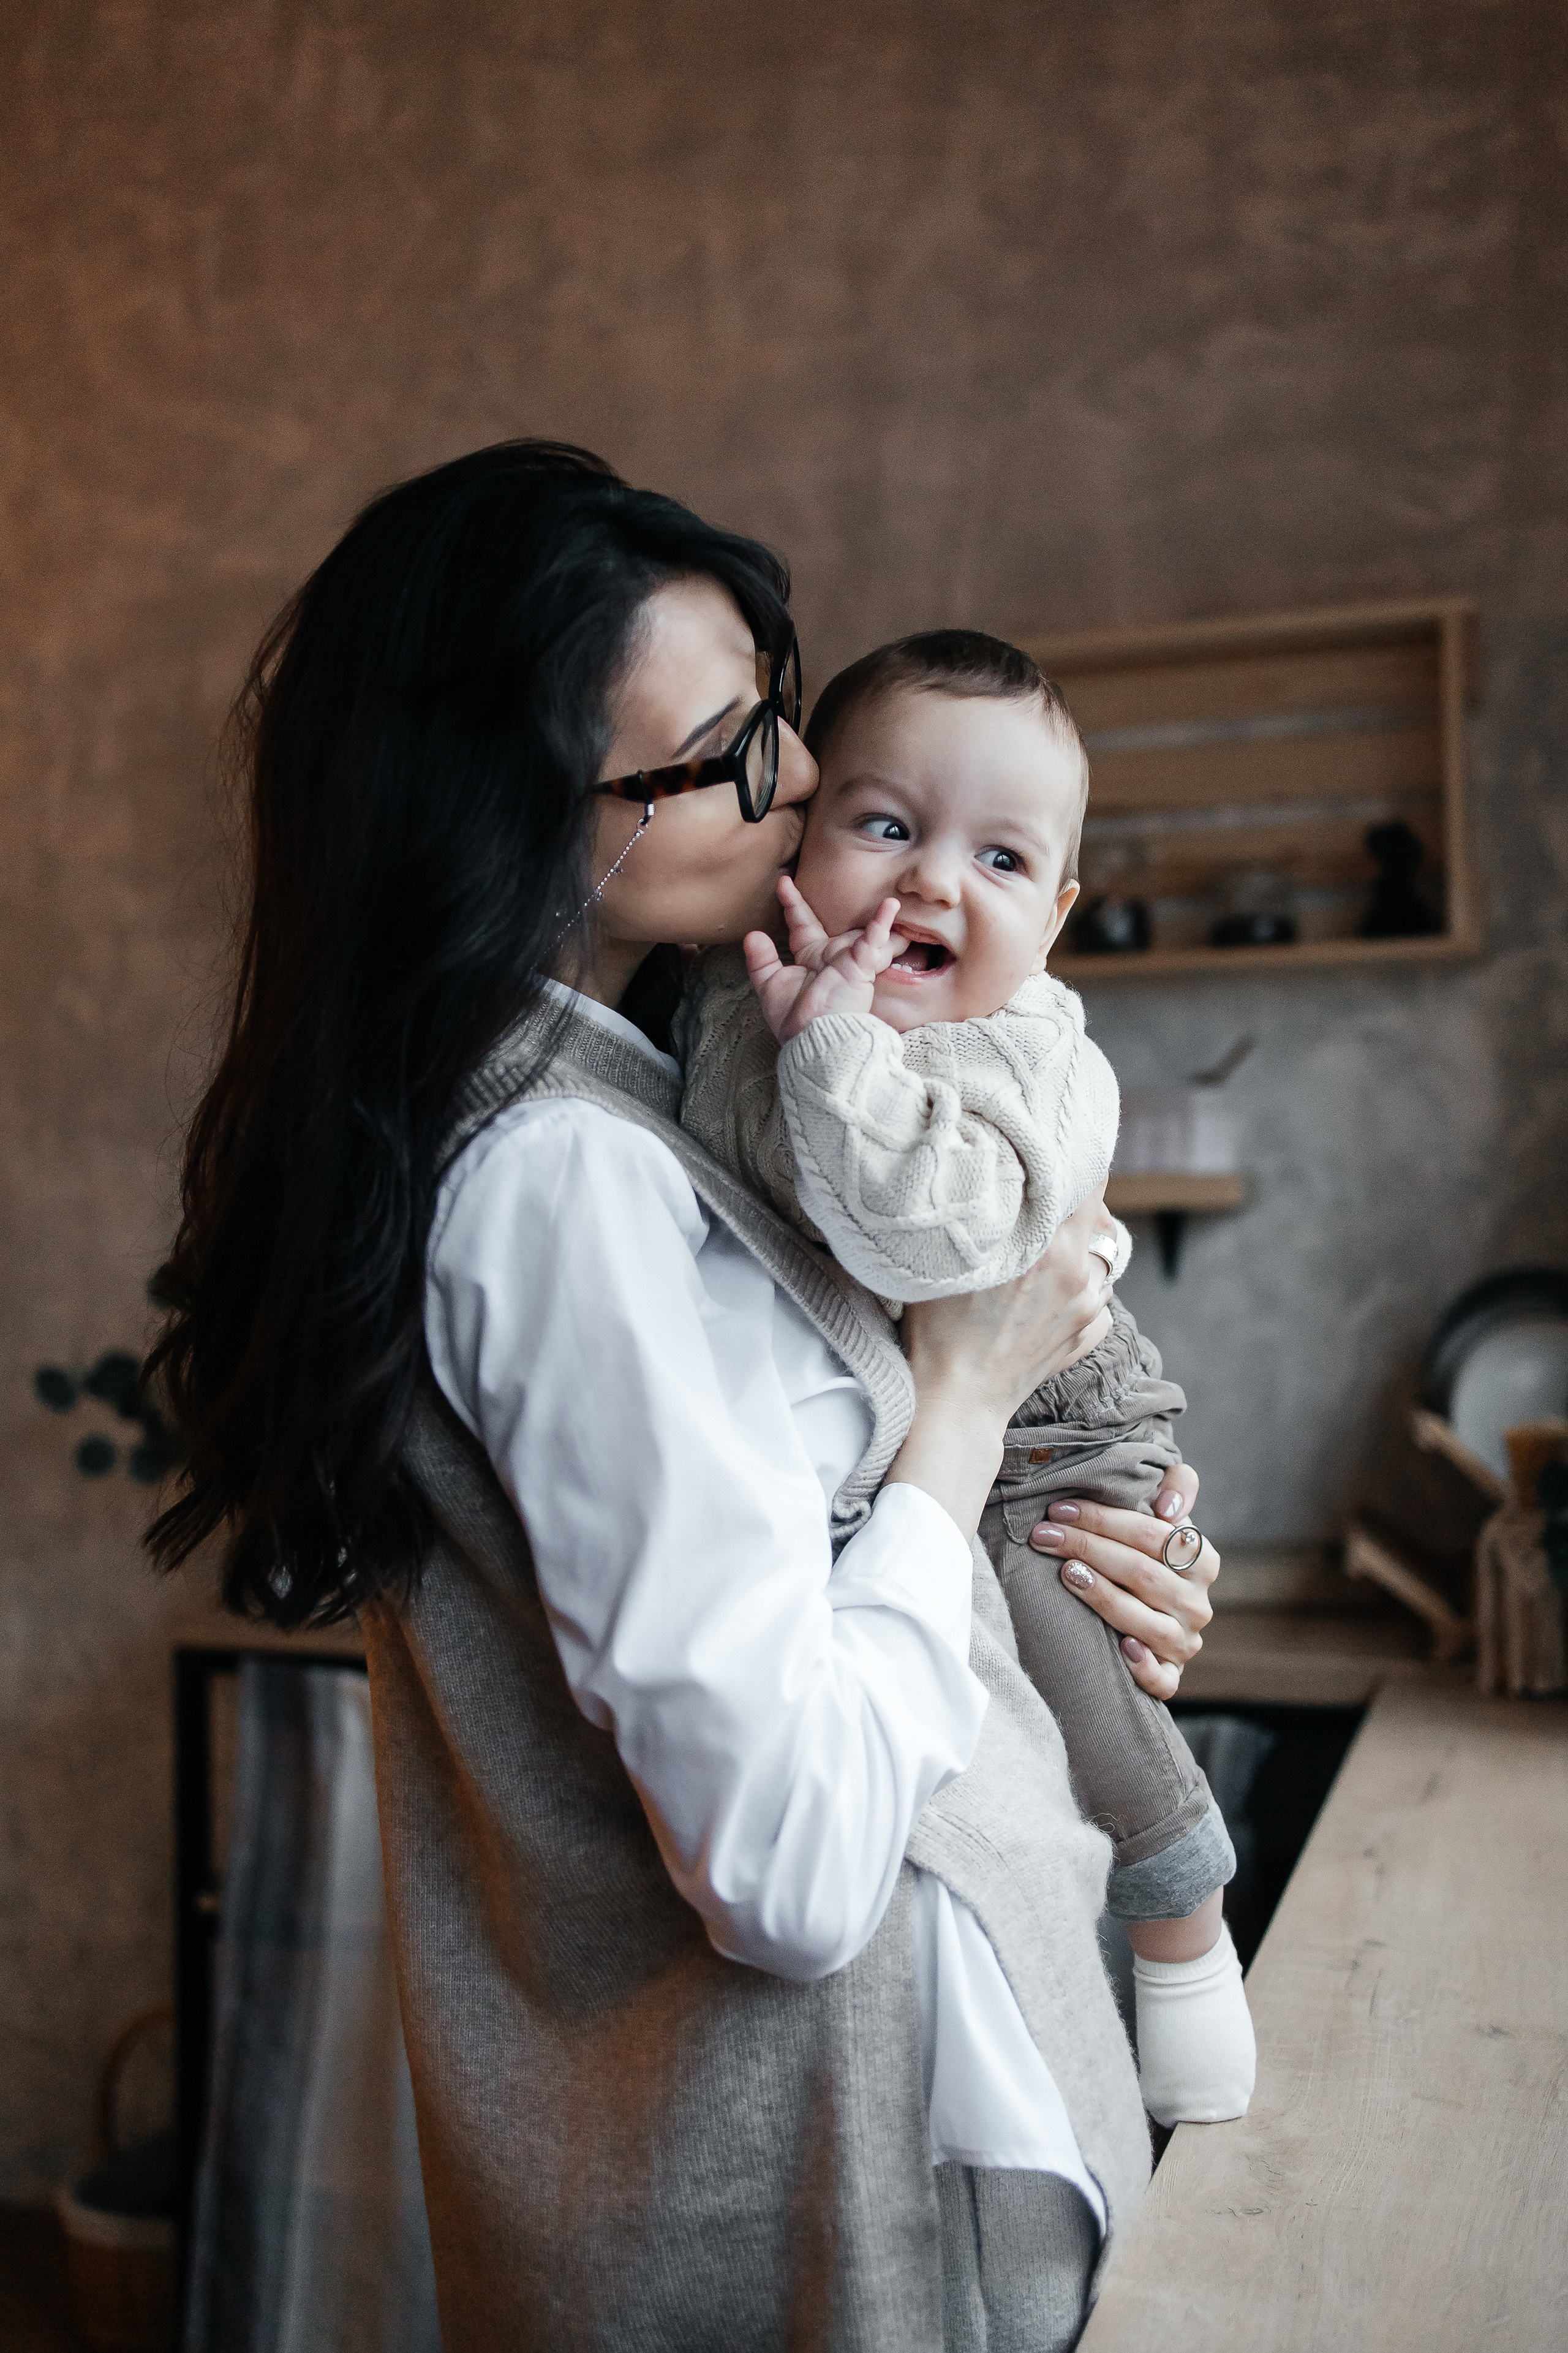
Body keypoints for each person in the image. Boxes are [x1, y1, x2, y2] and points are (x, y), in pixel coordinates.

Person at [148, 441, 1223, 2353]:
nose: (807, 779)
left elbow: (826, 1518)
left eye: (784, 713)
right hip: (828, 2160)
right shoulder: (558, 1179)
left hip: (898, 2108)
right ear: (538, 819)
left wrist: (1079, 1546)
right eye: (733, 751)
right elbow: (789, 1863)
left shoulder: (658, 1090)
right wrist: (966, 1409)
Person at [676, 629, 1255, 2130]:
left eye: (1000, 860)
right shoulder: (742, 1004)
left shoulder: (1030, 1051)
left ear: (1055, 917)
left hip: (1058, 1398)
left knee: (1058, 1619)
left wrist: (836, 1057)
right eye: (887, 826)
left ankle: (1178, 1905)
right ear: (795, 836)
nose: (934, 880)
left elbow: (930, 1239)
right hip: (924, 1421)